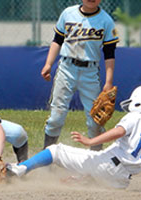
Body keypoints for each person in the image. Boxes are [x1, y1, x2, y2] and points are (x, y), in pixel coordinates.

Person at [7, 85, 141, 194]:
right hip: (121, 181)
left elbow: (120, 131)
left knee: (56, 151)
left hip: (106, 164)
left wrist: (91, 141)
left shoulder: (136, 117)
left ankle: (19, 169)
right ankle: (82, 180)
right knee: (93, 174)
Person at [41, 0, 119, 150]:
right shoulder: (68, 14)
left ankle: (95, 159)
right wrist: (48, 64)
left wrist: (109, 81)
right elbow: (57, 40)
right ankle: (47, 157)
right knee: (56, 117)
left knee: (95, 120)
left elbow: (109, 53)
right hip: (66, 68)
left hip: (90, 72)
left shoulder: (105, 20)